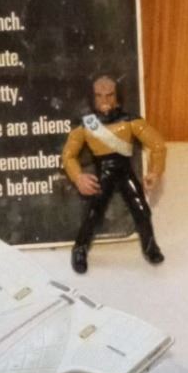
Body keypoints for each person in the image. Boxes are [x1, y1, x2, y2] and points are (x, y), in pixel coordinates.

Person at [60, 74, 166, 275]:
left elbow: (158, 145)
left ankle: (150, 247)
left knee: (142, 209)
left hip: (125, 171)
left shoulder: (131, 121)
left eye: (109, 95)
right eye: (99, 96)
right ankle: (80, 249)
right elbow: (68, 156)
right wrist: (78, 177)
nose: (105, 100)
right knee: (93, 214)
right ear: (92, 98)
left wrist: (155, 172)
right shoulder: (86, 125)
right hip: (103, 174)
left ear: (118, 96)